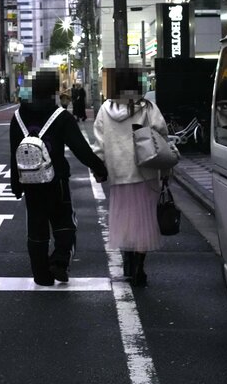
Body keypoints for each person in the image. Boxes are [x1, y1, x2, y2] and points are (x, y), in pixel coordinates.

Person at [10, 70, 108, 286]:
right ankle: (60, 262)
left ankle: (41, 275)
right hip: (57, 181)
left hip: (30, 183)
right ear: (54, 90)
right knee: (64, 222)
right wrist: (99, 169)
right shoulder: (61, 116)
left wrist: (16, 185)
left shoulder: (18, 116)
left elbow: (13, 152)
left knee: (36, 227)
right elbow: (80, 148)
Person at [93, 82, 169, 287]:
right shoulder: (147, 107)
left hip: (118, 172)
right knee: (144, 221)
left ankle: (129, 262)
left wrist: (99, 167)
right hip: (146, 170)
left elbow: (99, 143)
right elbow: (161, 134)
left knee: (125, 219)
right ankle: (139, 267)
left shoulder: (105, 109)